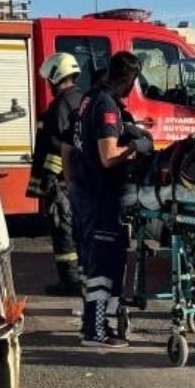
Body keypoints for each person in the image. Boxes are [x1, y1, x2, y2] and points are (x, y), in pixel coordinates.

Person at [70, 51, 153, 347]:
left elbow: (74, 146)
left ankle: (94, 324)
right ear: (127, 80)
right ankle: (95, 331)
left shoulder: (89, 98)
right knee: (104, 266)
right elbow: (108, 157)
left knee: (95, 264)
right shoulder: (106, 106)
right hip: (103, 196)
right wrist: (136, 147)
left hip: (85, 193)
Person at [26, 53, 84, 296]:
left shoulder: (60, 105)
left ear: (55, 76)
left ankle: (70, 281)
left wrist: (49, 180)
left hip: (62, 181)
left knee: (63, 231)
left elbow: (57, 146)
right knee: (79, 230)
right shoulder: (82, 99)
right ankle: (83, 277)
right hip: (80, 179)